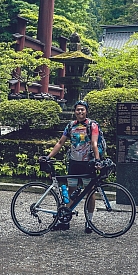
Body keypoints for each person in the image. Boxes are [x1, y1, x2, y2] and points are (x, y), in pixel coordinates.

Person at [42, 100, 101, 233]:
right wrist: (49, 156)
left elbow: (94, 143)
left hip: (88, 163)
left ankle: (89, 221)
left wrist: (97, 160)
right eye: (78, 110)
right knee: (71, 190)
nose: (80, 112)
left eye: (82, 109)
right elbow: (60, 142)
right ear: (74, 111)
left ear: (86, 111)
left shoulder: (92, 125)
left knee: (90, 192)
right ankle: (66, 220)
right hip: (74, 163)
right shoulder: (70, 126)